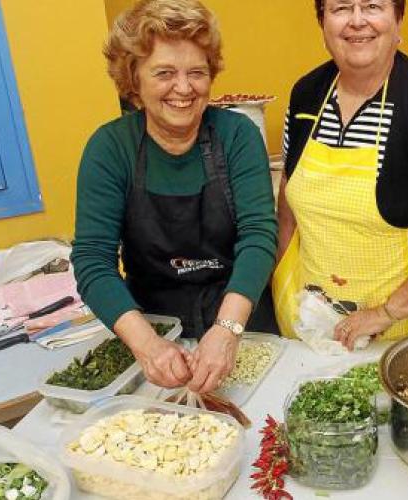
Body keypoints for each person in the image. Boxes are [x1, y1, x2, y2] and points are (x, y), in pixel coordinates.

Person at [71, 0, 277, 394]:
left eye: (196, 72)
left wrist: (227, 329)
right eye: (164, 73)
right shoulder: (110, 149)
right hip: (153, 325)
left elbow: (259, 236)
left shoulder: (237, 136)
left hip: (241, 318)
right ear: (134, 80)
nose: (183, 88)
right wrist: (147, 344)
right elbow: (93, 261)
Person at [274, 0, 408, 349]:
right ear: (322, 21)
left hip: (407, 324)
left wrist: (385, 312)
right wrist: (286, 282)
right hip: (314, 313)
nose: (357, 21)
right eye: (341, 8)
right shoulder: (305, 96)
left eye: (373, 6)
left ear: (398, 19)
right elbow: (288, 198)